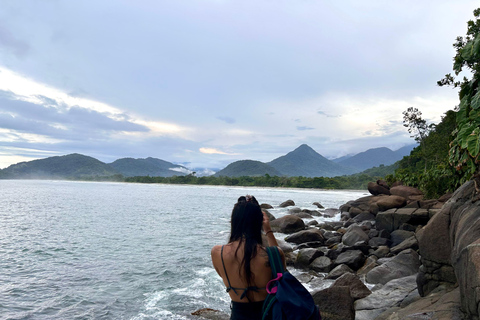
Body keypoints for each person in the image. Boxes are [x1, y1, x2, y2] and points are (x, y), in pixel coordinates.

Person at [211, 195, 285, 320]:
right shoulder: (272, 254)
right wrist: (268, 230)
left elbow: (222, 275)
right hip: (268, 314)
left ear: (234, 221)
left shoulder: (218, 252)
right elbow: (280, 276)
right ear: (259, 222)